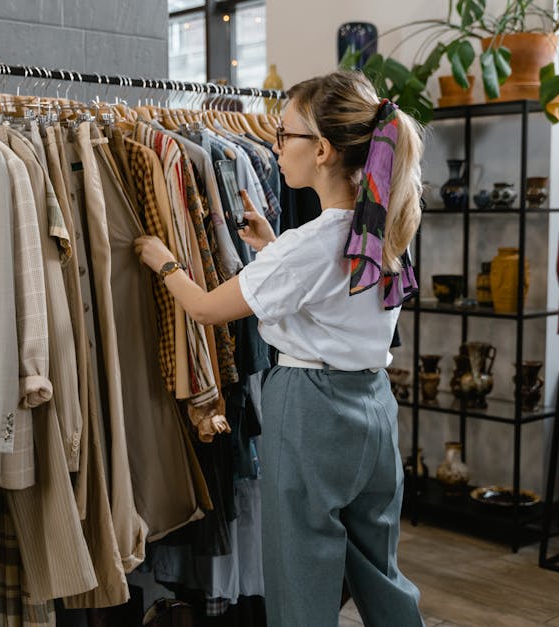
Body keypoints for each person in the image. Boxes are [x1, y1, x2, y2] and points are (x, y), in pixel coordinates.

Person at [135, 70, 424, 626]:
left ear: (321, 149)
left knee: (301, 567)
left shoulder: (311, 244)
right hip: (373, 406)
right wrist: (272, 245)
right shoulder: (381, 226)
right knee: (377, 566)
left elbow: (205, 308)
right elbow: (329, 292)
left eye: (283, 134)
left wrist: (161, 259)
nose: (274, 146)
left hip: (312, 406)